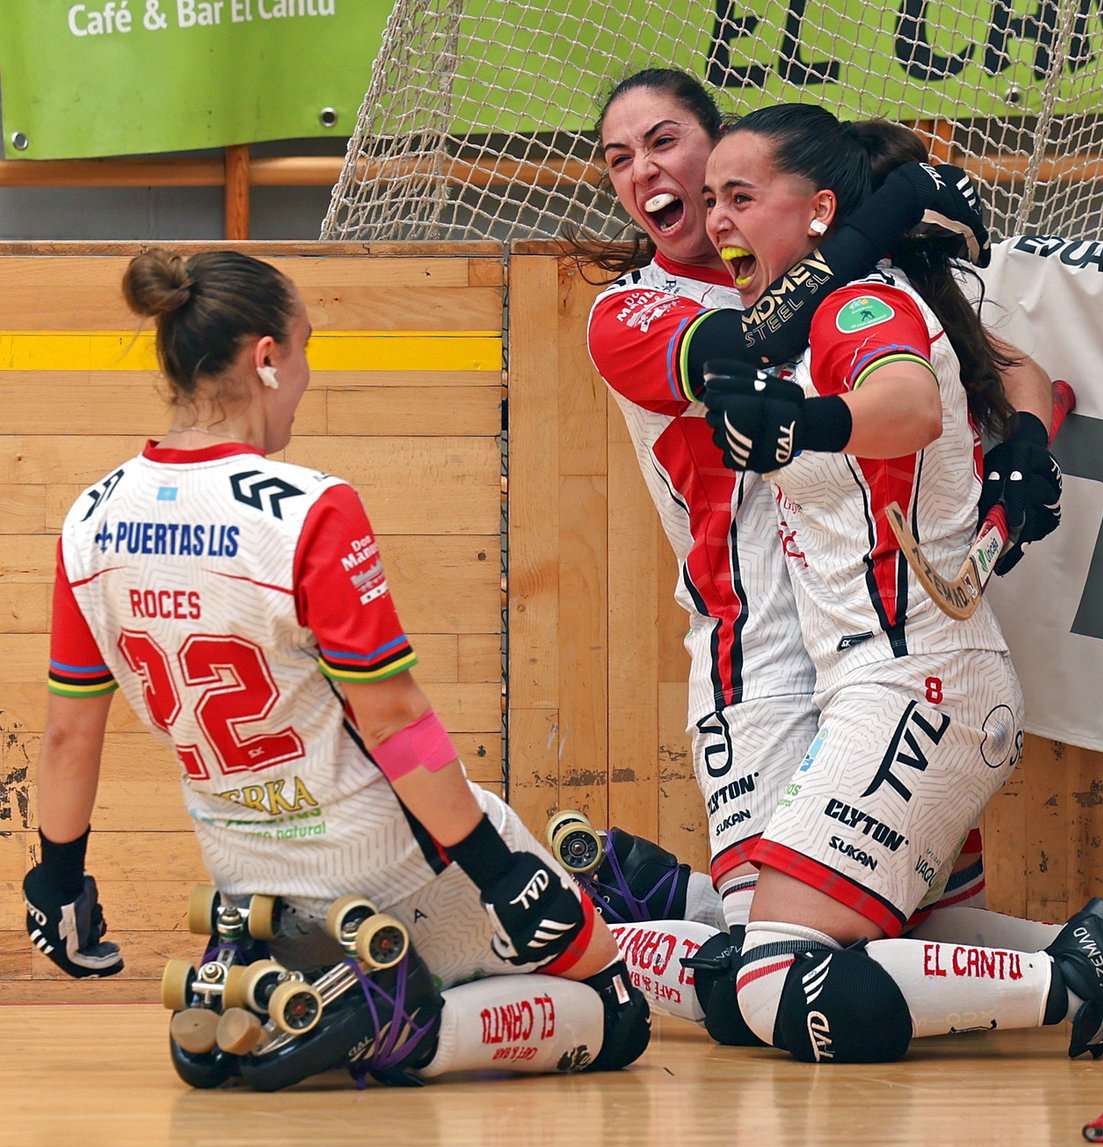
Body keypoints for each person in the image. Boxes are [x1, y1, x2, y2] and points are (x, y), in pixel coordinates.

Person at [23, 247, 649, 1091]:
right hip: (391, 865)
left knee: (300, 977)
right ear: (267, 357)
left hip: (248, 875)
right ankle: (396, 1025)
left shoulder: (88, 518)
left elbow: (68, 732)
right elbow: (392, 721)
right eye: (307, 347)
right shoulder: (309, 508)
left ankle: (269, 987)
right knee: (617, 1014)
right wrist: (503, 876)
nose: (309, 373)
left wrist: (58, 880)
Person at [698, 103, 1103, 1062]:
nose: (717, 217)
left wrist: (816, 424)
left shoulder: (855, 307)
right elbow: (1007, 367)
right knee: (893, 947)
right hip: (883, 681)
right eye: (712, 198)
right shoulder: (810, 313)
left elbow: (908, 404)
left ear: (821, 213)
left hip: (916, 682)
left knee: (769, 977)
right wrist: (1023, 439)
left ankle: (1093, 979)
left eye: (740, 196)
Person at [576, 69, 1063, 1039]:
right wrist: (887, 214)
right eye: (618, 158)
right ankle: (644, 910)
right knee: (773, 970)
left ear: (725, 153)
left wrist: (1030, 440)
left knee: (866, 933)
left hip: (880, 651)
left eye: (666, 142)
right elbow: (745, 346)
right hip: (758, 663)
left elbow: (1001, 364)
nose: (644, 172)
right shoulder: (629, 311)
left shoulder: (824, 275)